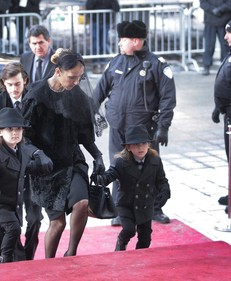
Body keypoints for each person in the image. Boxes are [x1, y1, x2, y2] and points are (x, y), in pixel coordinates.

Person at [22, 48, 106, 258]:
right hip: (46, 168)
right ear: (58, 71)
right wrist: (36, 154)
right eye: (72, 77)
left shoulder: (77, 95)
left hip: (72, 161)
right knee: (57, 223)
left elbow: (85, 134)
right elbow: (24, 136)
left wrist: (97, 155)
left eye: (80, 77)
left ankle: (71, 253)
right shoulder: (36, 95)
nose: (76, 82)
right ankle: (50, 262)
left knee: (83, 203)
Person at [92, 20, 176, 225]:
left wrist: (163, 127)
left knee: (150, 169)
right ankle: (121, 211)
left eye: (123, 40)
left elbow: (168, 98)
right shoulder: (116, 62)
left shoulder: (156, 65)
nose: (119, 43)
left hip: (144, 130)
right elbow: (99, 91)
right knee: (118, 167)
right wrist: (89, 114)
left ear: (136, 41)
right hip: (118, 128)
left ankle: (155, 208)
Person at [0, 62, 43, 263]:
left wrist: (39, 157)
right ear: (3, 84)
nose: (14, 89)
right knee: (7, 219)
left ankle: (27, 257)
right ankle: (0, 257)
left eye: (18, 84)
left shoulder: (35, 100)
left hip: (30, 167)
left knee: (34, 219)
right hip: (6, 169)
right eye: (10, 84)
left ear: (25, 82)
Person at [0, 107, 53, 263]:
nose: (15, 132)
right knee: (13, 228)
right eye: (9, 129)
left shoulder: (21, 150)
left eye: (18, 129)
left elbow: (24, 168)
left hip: (13, 204)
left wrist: (42, 165)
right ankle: (5, 260)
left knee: (3, 234)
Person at [97, 124, 170, 251]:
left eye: (143, 144)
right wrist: (100, 177)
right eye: (136, 145)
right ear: (129, 147)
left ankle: (139, 258)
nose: (140, 148)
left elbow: (161, 180)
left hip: (145, 204)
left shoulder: (155, 160)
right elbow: (110, 175)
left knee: (145, 239)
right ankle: (121, 242)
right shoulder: (121, 162)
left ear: (148, 144)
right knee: (129, 230)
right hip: (126, 204)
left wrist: (165, 191)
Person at [211, 19, 231, 211]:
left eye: (228, 33)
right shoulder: (229, 54)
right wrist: (219, 106)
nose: (225, 36)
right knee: (229, 156)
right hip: (228, 114)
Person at [85, 0, 120, 74]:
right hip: (95, 22)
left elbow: (116, 8)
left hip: (105, 22)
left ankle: (102, 64)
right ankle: (95, 65)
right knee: (95, 43)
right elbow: (88, 6)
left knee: (103, 43)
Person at [199, 0, 231, 75]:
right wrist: (212, 10)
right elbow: (203, 3)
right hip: (210, 21)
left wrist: (220, 9)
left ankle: (226, 67)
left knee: (225, 46)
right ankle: (206, 66)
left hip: (224, 21)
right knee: (209, 46)